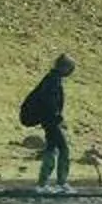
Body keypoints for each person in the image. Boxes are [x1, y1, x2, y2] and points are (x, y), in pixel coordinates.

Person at [21, 54, 76, 194]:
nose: (71, 72)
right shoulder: (52, 80)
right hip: (50, 120)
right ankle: (60, 183)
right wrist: (57, 118)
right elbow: (49, 102)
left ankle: (43, 184)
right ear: (63, 67)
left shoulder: (52, 78)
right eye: (70, 68)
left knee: (52, 148)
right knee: (63, 149)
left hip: (49, 120)